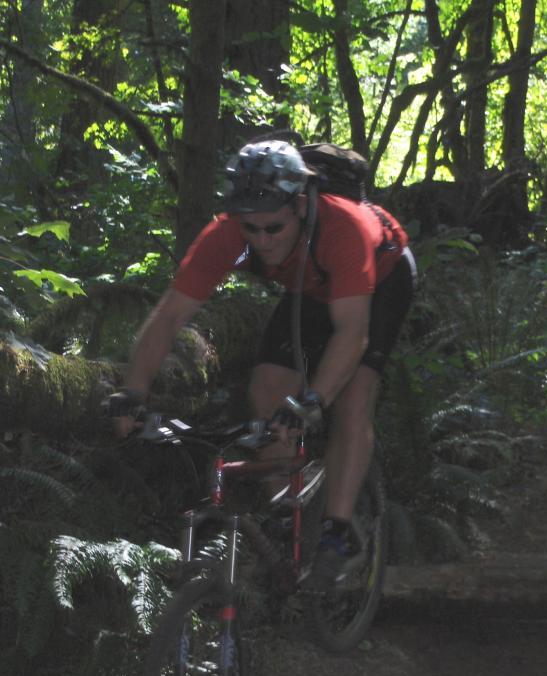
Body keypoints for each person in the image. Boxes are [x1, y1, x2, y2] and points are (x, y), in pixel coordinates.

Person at [107, 139, 416, 587]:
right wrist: (132, 392)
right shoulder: (228, 233)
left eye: (273, 227)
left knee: (352, 398)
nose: (262, 240)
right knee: (267, 390)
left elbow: (353, 333)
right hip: (310, 287)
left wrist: (314, 400)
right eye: (251, 229)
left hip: (383, 276)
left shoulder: (342, 228)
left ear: (300, 206)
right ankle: (286, 513)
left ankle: (338, 532)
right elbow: (170, 314)